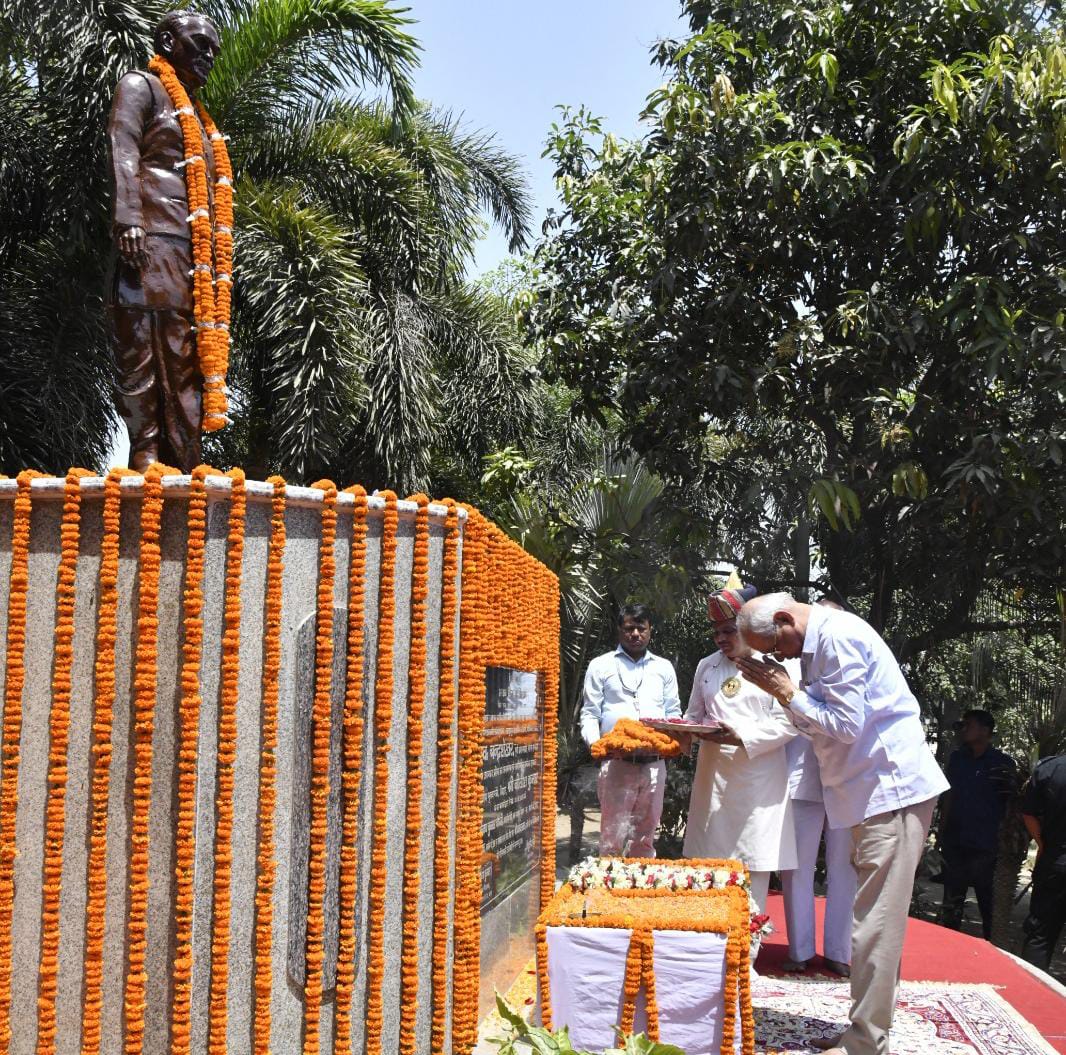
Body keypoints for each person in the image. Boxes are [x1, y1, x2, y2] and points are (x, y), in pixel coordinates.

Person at [736, 593, 949, 1055]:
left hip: (888, 793)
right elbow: (819, 724)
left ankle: (864, 1044)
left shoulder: (837, 638)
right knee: (877, 919)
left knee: (874, 922)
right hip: (865, 793)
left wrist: (787, 692)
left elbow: (846, 724)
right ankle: (867, 1031)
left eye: (774, 646)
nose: (777, 657)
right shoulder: (818, 643)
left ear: (784, 619)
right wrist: (789, 695)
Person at [107, 10, 224, 471]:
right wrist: (128, 219)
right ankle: (147, 453)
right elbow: (123, 147)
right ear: (167, 40)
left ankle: (186, 455)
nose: (209, 56)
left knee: (184, 352)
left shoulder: (200, 119)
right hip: (147, 237)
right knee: (142, 342)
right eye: (200, 44)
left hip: (192, 253)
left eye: (214, 49)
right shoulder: (142, 86)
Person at [682, 583, 799, 917]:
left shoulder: (775, 665)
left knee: (753, 868)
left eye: (729, 630)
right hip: (712, 783)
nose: (721, 638)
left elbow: (791, 723)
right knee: (709, 870)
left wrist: (741, 736)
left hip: (758, 784)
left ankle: (745, 959)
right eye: (716, 632)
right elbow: (693, 715)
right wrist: (681, 733)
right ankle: (706, 950)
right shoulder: (707, 666)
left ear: (747, 628)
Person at [580, 604, 682, 858]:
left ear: (650, 631)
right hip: (617, 763)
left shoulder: (663, 667)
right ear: (619, 630)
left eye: (641, 628)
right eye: (629, 628)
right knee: (611, 837)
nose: (635, 634)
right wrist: (598, 746)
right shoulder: (600, 665)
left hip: (654, 764)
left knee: (645, 836)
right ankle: (607, 891)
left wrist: (670, 743)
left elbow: (673, 714)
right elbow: (590, 713)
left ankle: (638, 891)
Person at [781, 735, 858, 976]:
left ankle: (839, 952)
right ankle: (800, 950)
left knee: (845, 869)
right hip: (801, 772)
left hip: (848, 776)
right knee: (796, 869)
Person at [937, 709, 1016, 940]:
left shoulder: (1002, 763)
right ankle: (948, 944)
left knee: (987, 902)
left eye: (969, 725)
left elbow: (1011, 805)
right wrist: (940, 837)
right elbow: (948, 797)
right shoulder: (957, 759)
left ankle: (993, 947)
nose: (964, 729)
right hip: (955, 841)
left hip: (986, 845)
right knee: (952, 900)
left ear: (985, 730)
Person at [1019, 752, 1066, 973]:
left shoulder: (1050, 768)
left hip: (1055, 861)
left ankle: (1028, 996)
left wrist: (1042, 843)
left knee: (1040, 935)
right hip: (1054, 859)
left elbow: (1028, 813)